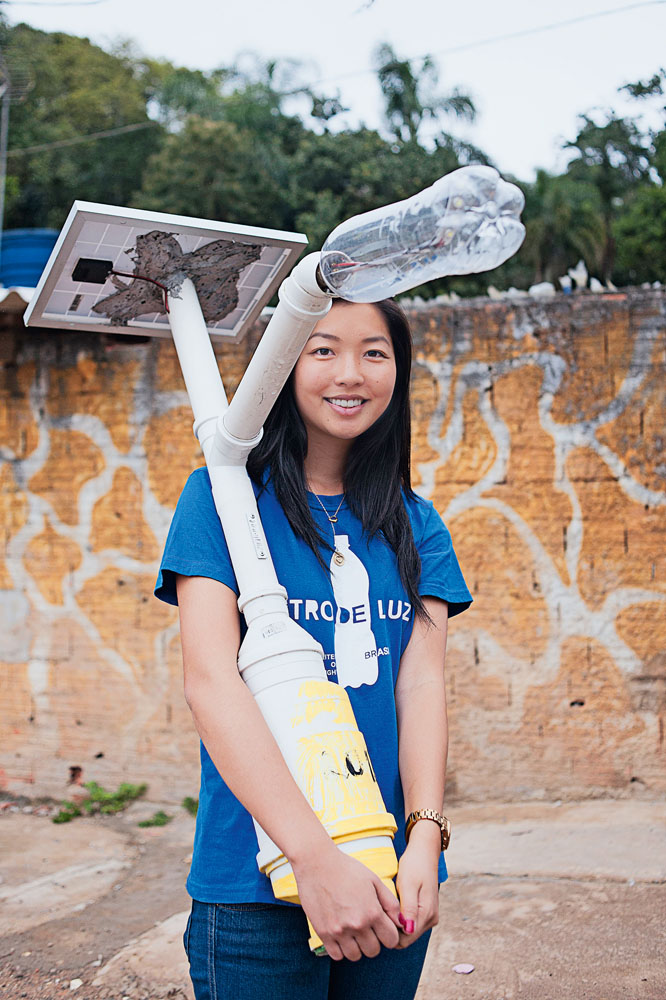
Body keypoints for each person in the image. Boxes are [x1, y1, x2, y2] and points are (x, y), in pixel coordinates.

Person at [155, 297, 472, 1000]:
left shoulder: (417, 523)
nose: (350, 373)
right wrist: (313, 858)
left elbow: (420, 685)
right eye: (322, 349)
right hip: (256, 881)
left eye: (374, 352)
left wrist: (425, 838)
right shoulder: (220, 500)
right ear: (281, 363)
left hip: (390, 873)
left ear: (398, 371)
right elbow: (212, 683)